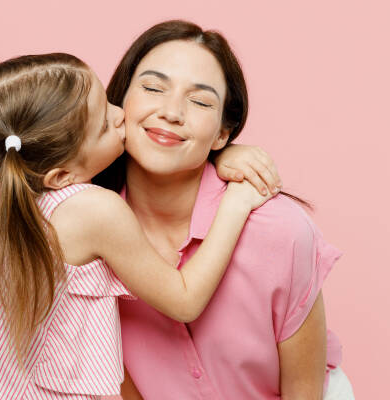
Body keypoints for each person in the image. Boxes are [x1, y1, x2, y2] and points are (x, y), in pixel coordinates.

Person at [0, 51, 280, 400]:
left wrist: (220, 152)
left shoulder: (17, 192)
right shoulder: (94, 210)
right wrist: (236, 201)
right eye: (106, 124)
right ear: (62, 175)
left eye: (106, 101)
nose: (121, 115)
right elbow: (183, 300)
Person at [92, 20, 355, 399]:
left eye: (199, 101)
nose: (171, 112)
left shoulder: (278, 229)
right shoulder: (84, 239)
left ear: (222, 132)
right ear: (118, 105)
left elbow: (304, 391)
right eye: (152, 88)